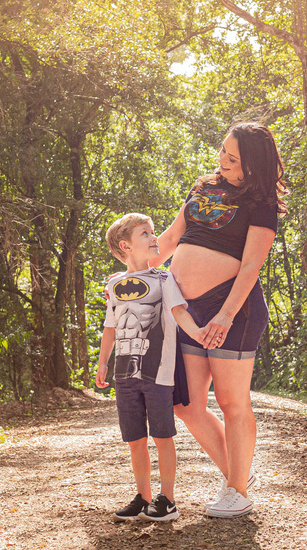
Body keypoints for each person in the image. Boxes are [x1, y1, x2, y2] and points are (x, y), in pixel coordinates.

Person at [151, 122, 287, 519]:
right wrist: (133, 274)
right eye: (223, 151)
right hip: (188, 310)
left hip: (233, 310)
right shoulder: (203, 187)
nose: (223, 160)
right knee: (188, 404)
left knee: (231, 402)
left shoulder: (261, 203)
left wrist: (225, 315)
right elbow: (169, 240)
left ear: (253, 165)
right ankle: (237, 476)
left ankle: (237, 490)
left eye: (233, 158)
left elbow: (250, 266)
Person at [94, 213, 205, 522]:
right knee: (135, 440)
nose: (155, 237)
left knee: (162, 436)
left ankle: (167, 500)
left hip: (159, 373)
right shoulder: (115, 284)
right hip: (124, 375)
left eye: (153, 232)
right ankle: (143, 498)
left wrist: (200, 333)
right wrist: (103, 362)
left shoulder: (164, 279)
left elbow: (179, 313)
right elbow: (110, 327)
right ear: (125, 245)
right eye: (145, 233)